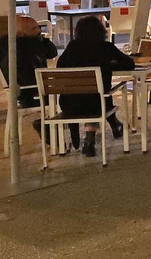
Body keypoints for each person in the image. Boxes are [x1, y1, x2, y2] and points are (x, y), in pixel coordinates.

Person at [56, 15, 135, 156]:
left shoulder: (72, 47)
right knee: (100, 96)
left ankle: (94, 134)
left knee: (91, 95)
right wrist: (112, 64)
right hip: (97, 104)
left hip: (70, 104)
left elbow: (60, 66)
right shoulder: (106, 47)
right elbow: (130, 64)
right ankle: (108, 128)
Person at [0, 14, 58, 110]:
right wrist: (40, 39)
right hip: (28, 89)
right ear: (22, 32)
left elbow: (52, 53)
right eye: (34, 28)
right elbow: (52, 53)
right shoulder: (28, 45)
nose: (39, 30)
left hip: (17, 88)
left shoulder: (2, 42)